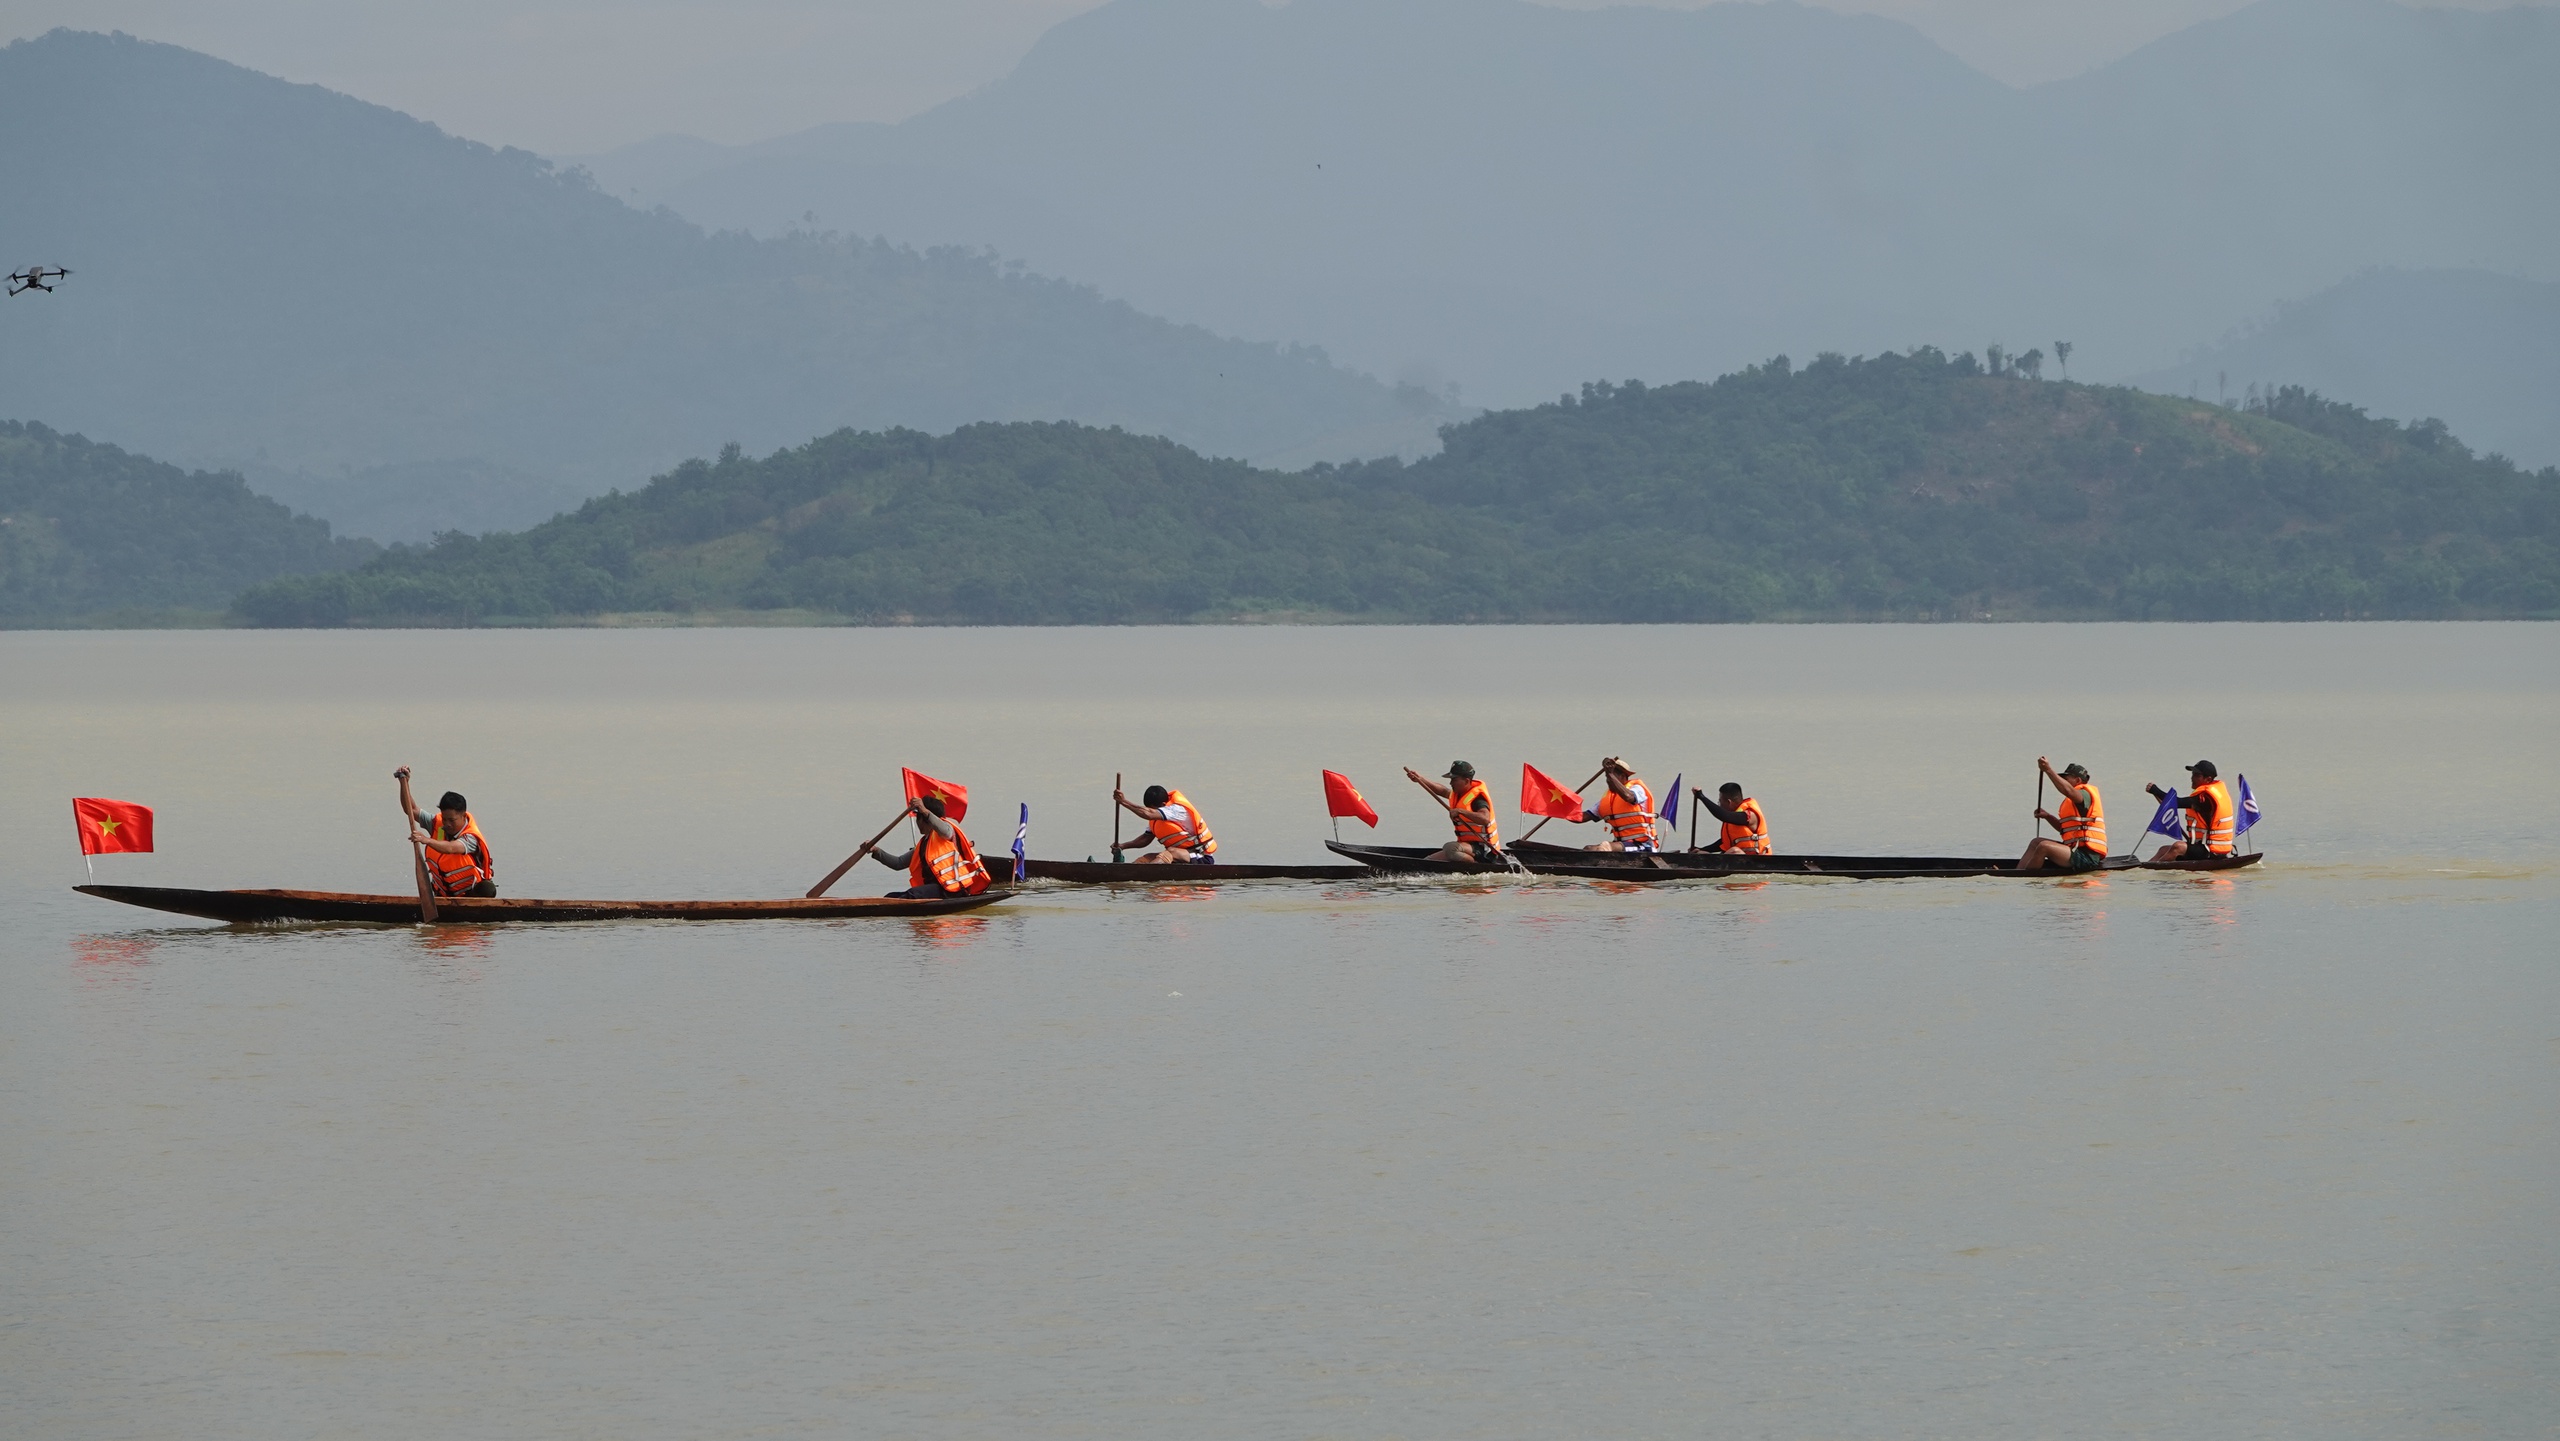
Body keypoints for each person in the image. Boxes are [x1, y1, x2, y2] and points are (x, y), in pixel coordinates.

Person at [395, 764, 496, 897]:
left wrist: (426, 840)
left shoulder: (471, 837)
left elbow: (451, 848)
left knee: (488, 889)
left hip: (470, 894)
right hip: (443, 892)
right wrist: (404, 783)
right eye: (445, 819)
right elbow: (411, 810)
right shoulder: (437, 823)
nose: (447, 824)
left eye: (452, 820)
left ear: (463, 816)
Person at [870, 795, 992, 897]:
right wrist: (876, 851)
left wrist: (924, 810)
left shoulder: (946, 832)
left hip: (954, 889)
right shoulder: (924, 844)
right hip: (938, 889)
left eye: (918, 818)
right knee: (891, 896)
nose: (917, 823)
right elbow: (898, 863)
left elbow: (945, 830)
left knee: (912, 894)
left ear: (924, 819)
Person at [2018, 756, 2107, 872]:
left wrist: (2048, 770)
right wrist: (2048, 817)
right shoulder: (2074, 801)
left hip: (2087, 857)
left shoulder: (2084, 794)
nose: (2064, 781)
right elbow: (2064, 828)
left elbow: (2068, 790)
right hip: (2075, 850)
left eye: (2066, 778)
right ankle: (2018, 872)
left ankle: (2028, 877)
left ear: (2078, 781)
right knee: (2036, 842)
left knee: (2043, 847)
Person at [1404, 760, 1501, 864]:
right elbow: (1442, 791)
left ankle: (1475, 866)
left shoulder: (1478, 799)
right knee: (1428, 861)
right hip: (1467, 847)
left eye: (1454, 779)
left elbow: (1485, 818)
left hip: (1485, 851)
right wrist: (1420, 779)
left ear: (1467, 781)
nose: (1451, 783)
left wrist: (1460, 811)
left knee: (1450, 848)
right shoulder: (1458, 794)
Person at [2146, 760, 2235, 862]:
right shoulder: (2205, 795)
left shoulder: (2204, 799)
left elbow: (2176, 802)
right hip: (2201, 846)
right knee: (2163, 850)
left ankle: (2153, 870)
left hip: (2211, 851)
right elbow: (2171, 804)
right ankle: (2144, 868)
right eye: (2193, 774)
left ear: (2208, 779)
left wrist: (2156, 790)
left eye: (2197, 775)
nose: (2192, 778)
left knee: (2178, 847)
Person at [1567, 757, 1657, 852]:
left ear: (1622, 776)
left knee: (1604, 847)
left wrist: (1609, 773)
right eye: (1607, 778)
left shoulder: (1637, 788)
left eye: (1612, 778)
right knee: (1588, 849)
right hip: (1621, 844)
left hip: (1642, 845)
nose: (1609, 781)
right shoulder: (1607, 800)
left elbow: (1628, 796)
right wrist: (1560, 811)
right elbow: (1582, 817)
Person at [1113, 784, 1217, 864]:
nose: (1150, 811)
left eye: (1152, 808)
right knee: (1146, 858)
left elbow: (1148, 814)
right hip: (1179, 856)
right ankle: (1130, 873)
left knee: (1170, 852)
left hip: (1201, 857)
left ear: (1163, 805)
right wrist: (1122, 846)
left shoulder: (1177, 810)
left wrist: (1124, 802)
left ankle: (1145, 874)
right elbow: (1145, 839)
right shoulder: (1157, 818)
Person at [1689, 783, 1771, 855]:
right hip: (1741, 860)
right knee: (1729, 852)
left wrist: (1702, 797)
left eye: (1720, 802)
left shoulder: (1749, 815)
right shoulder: (1734, 816)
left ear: (1729, 802)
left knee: (1735, 851)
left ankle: (1710, 860)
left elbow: (1724, 816)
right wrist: (1701, 849)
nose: (1719, 805)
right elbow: (1724, 842)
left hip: (1758, 860)